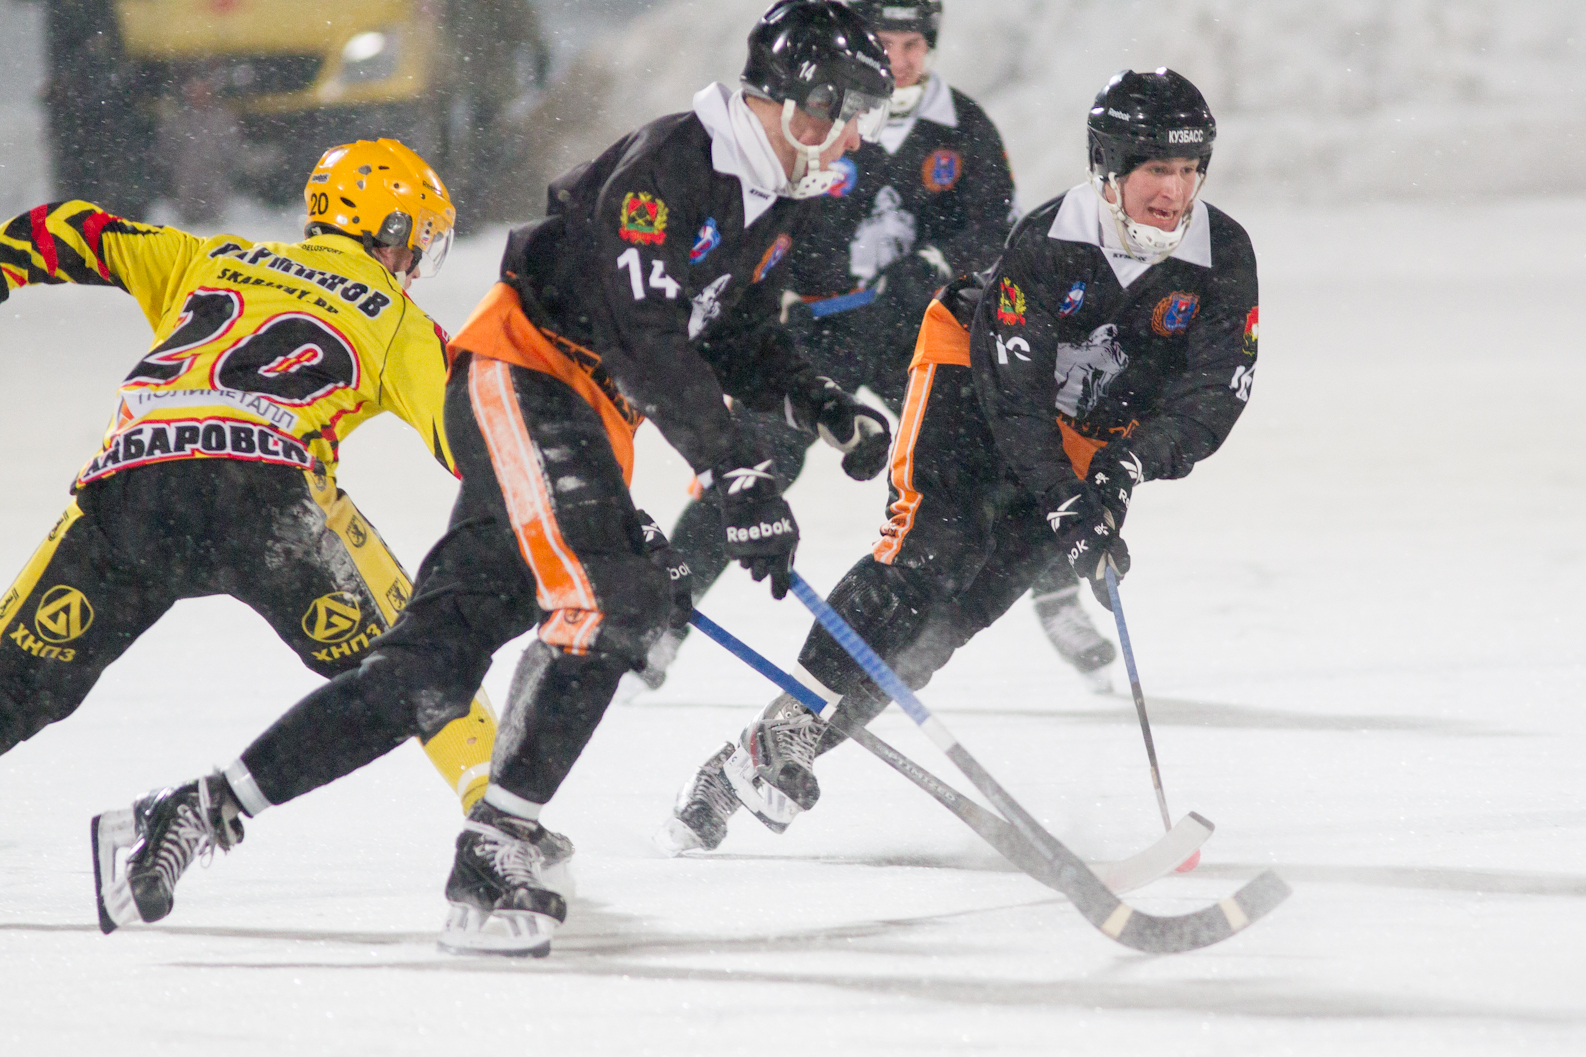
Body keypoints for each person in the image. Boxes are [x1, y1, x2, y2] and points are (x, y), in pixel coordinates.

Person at [90, 0, 895, 958]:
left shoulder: (773, 202)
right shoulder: (672, 167)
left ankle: (189, 810)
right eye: (821, 115)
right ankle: (496, 841)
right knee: (618, 604)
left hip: (582, 413)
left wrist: (819, 402)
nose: (834, 141)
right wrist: (736, 474)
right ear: (769, 97)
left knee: (425, 669)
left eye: (855, 122)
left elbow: (734, 329)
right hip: (527, 378)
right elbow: (647, 336)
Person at [660, 67, 1258, 853]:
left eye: (1188, 170)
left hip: (1084, 436)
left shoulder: (1223, 255)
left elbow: (1217, 392)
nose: (1173, 192)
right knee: (931, 551)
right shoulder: (1051, 241)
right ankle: (790, 724)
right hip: (970, 387)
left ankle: (752, 756)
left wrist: (1123, 469)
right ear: (1108, 166)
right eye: (1155, 169)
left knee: (945, 625)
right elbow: (1012, 397)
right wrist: (1066, 496)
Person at [0, 140, 501, 842]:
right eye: (418, 240)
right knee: (422, 665)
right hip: (266, 503)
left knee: (13, 685)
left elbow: (70, 228)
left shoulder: (210, 257)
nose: (416, 260)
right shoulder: (397, 318)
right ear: (390, 233)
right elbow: (484, 433)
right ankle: (500, 820)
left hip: (133, 487)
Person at [630, 0, 1116, 710]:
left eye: (912, 43)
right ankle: (662, 625)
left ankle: (1054, 593)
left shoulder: (964, 128)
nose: (899, 57)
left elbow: (997, 231)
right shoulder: (825, 118)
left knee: (1000, 458)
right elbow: (773, 213)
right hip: (810, 337)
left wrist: (937, 262)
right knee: (751, 466)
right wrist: (771, 293)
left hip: (924, 337)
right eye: (884, 42)